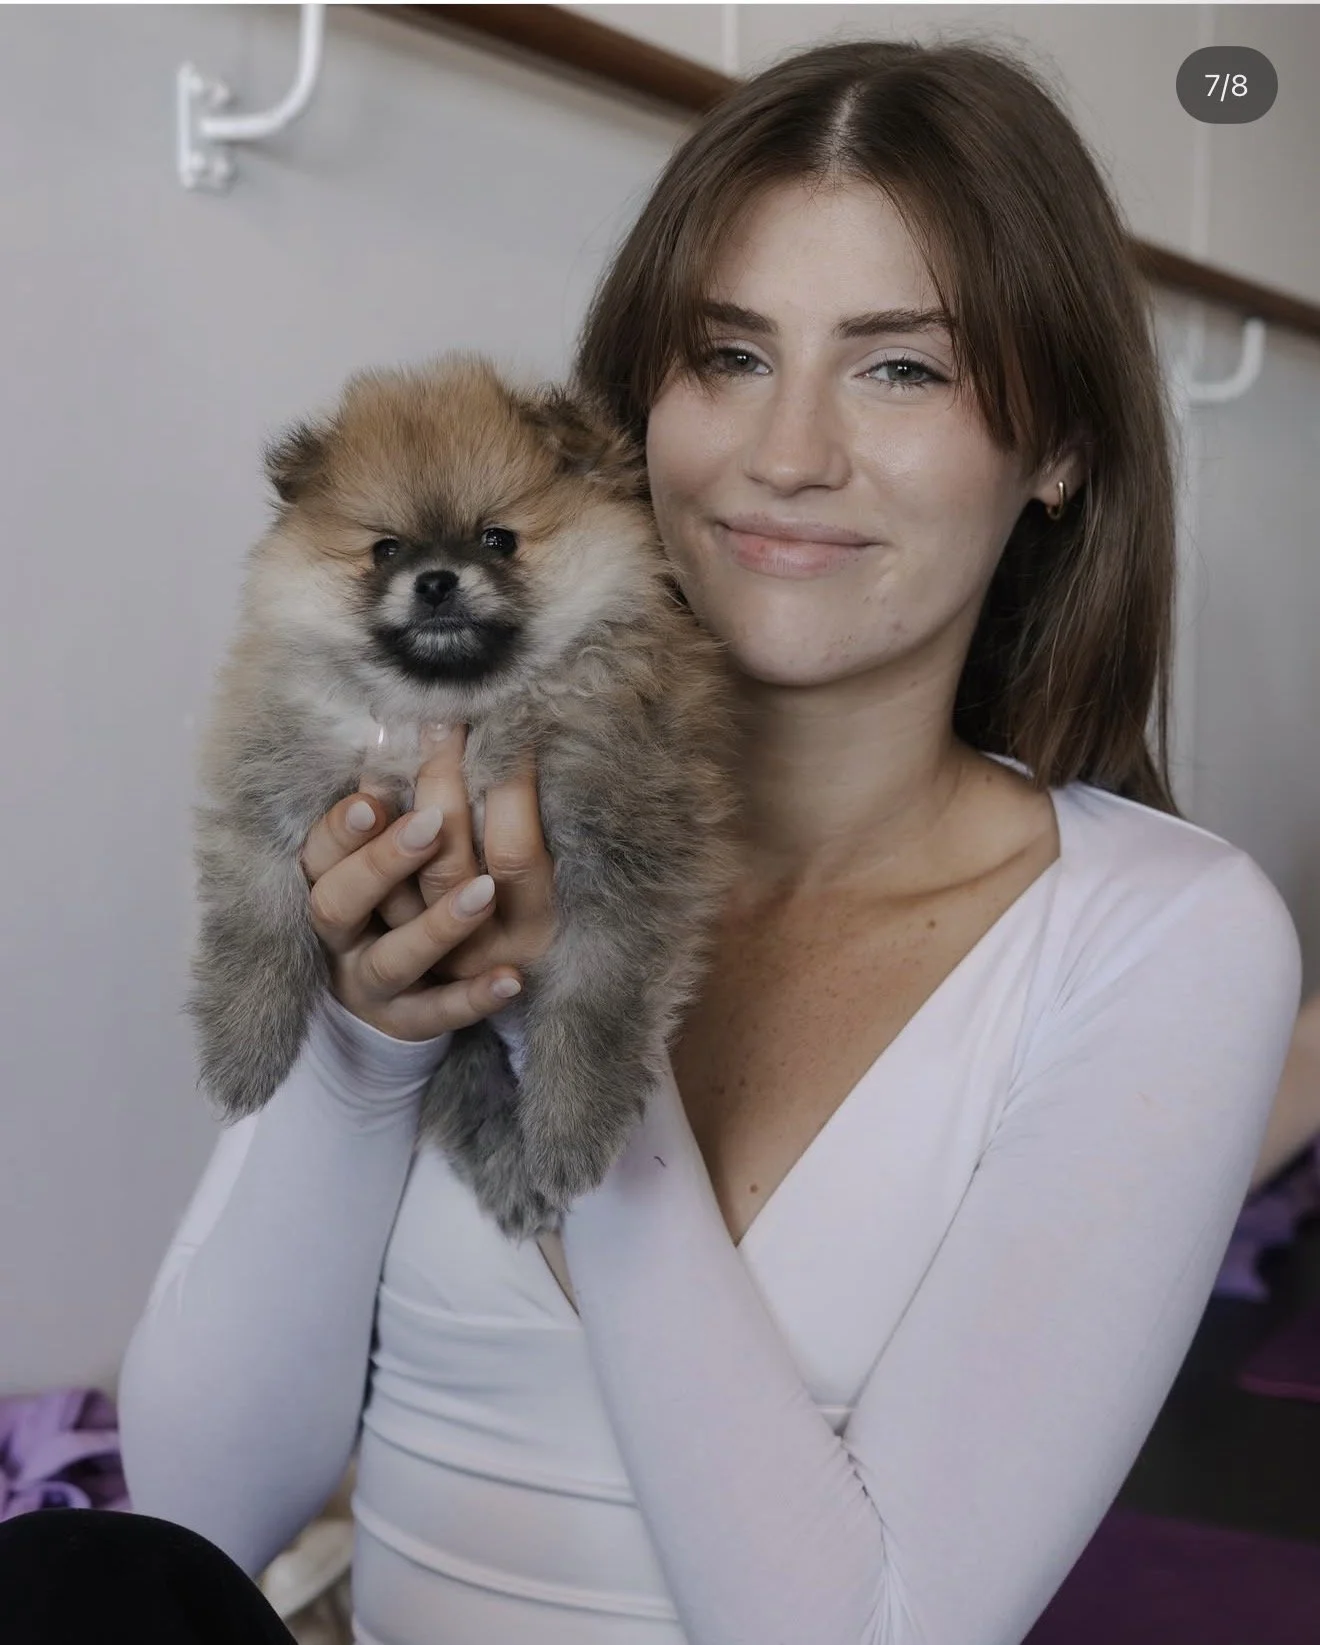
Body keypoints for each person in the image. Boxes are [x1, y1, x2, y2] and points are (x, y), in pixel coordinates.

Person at [4, 36, 1301, 1645]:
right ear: (624, 425)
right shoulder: (440, 802)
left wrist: (580, 1047)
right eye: (729, 357)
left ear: (1059, 453)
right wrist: (362, 1042)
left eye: (901, 367)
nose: (788, 453)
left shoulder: (1162, 932)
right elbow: (198, 1514)